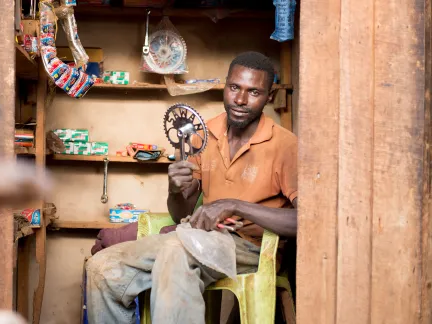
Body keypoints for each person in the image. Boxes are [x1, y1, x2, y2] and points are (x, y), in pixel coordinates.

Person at [86, 51, 298, 324]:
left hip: (249, 247)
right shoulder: (203, 134)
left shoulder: (285, 145)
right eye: (234, 88)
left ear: (269, 97)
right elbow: (179, 214)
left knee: (175, 253)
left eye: (253, 92)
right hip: (194, 237)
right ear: (226, 85)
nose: (241, 100)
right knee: (102, 267)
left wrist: (234, 205)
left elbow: (305, 221)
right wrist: (175, 189)